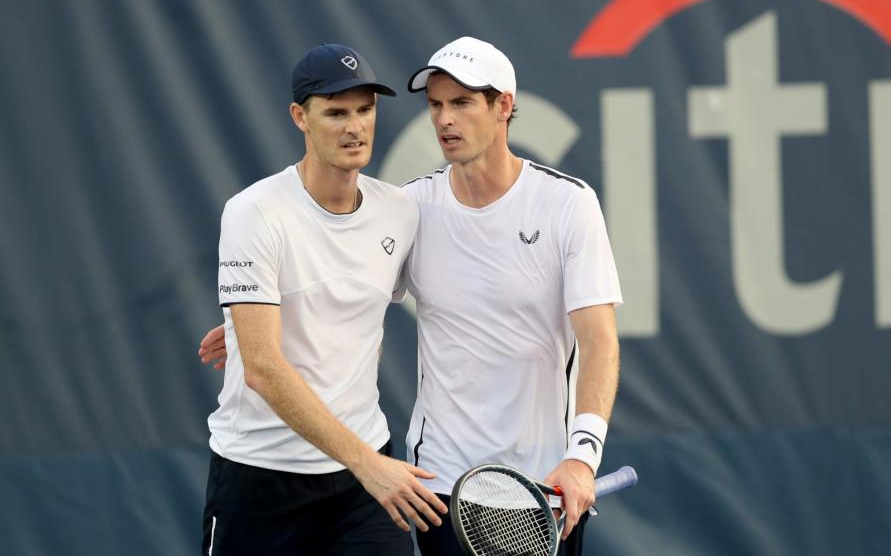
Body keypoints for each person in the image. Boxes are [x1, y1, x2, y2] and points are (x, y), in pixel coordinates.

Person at [200, 37, 621, 556]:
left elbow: (600, 342)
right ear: (300, 118)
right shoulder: (411, 205)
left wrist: (583, 455)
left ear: (504, 107)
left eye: (462, 102)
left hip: (536, 487)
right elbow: (332, 304)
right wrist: (258, 325)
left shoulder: (563, 204)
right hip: (432, 483)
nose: (445, 119)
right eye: (436, 105)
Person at [200, 43, 446, 555]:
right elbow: (263, 369)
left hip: (363, 487)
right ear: (300, 118)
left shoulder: (398, 211)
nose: (354, 127)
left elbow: (359, 313)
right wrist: (254, 335)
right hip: (262, 479)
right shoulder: (253, 213)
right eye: (335, 112)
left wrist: (289, 324)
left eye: (365, 109)